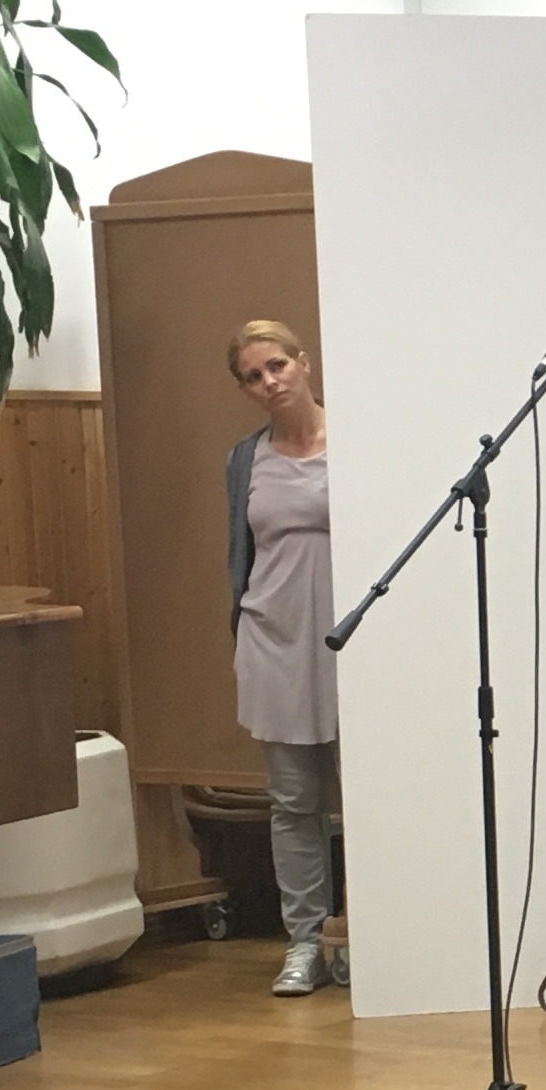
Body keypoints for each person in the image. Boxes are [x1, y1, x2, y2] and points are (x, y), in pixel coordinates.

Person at [224, 318, 344, 996]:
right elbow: (240, 555)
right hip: (273, 640)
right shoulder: (245, 460)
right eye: (253, 376)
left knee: (363, 796)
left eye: (277, 365)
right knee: (294, 801)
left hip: (351, 643)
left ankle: (357, 935)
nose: (269, 381)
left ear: (303, 362)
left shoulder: (356, 441)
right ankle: (305, 941)